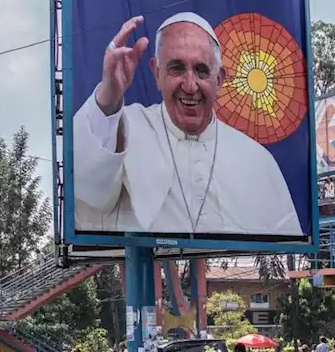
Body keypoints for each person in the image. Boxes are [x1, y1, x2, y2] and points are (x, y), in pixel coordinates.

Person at [71, 12, 301, 237]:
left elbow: (284, 241)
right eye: (177, 68)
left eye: (201, 70)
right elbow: (87, 190)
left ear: (219, 80)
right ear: (157, 72)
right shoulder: (124, 126)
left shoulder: (257, 160)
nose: (190, 85)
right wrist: (108, 98)